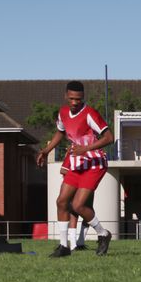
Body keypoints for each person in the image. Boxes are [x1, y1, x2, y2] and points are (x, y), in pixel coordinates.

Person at [37, 81, 114, 257]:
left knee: (78, 205)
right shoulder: (63, 112)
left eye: (78, 99)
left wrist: (85, 149)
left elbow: (109, 137)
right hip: (77, 163)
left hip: (94, 163)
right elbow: (61, 132)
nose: (74, 102)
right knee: (62, 202)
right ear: (66, 96)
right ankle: (64, 247)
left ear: (83, 98)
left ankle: (103, 234)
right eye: (71, 99)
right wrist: (46, 150)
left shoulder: (90, 113)